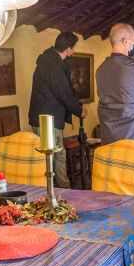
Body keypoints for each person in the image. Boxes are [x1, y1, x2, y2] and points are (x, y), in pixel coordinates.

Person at [28, 32, 85, 188]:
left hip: (40, 118)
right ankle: (62, 191)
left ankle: (49, 190)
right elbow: (63, 93)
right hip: (48, 119)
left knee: (46, 158)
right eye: (73, 48)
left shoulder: (47, 61)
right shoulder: (53, 64)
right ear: (67, 48)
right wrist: (79, 111)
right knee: (58, 155)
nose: (74, 51)